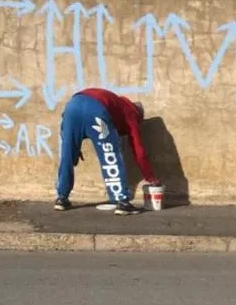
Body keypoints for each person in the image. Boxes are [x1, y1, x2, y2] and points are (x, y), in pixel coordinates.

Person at [53, 87, 160, 215]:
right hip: (96, 110)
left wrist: (73, 149)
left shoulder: (116, 102)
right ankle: (123, 202)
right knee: (109, 154)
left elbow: (67, 128)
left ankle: (61, 198)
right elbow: (138, 150)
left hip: (72, 106)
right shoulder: (132, 114)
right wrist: (150, 177)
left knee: (67, 155)